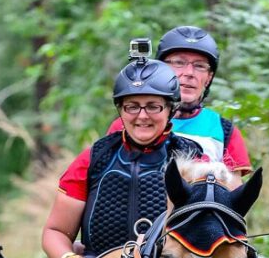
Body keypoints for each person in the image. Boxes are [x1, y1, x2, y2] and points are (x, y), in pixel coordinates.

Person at [42, 57, 202, 258]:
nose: (142, 115)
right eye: (132, 106)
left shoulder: (194, 160)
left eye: (153, 106)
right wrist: (65, 256)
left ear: (170, 109)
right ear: (120, 110)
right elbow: (56, 231)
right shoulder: (93, 159)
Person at [107, 25, 251, 182]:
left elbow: (234, 194)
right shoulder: (130, 123)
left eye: (199, 66)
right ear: (160, 70)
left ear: (208, 78)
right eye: (178, 63)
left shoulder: (224, 130)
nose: (189, 73)